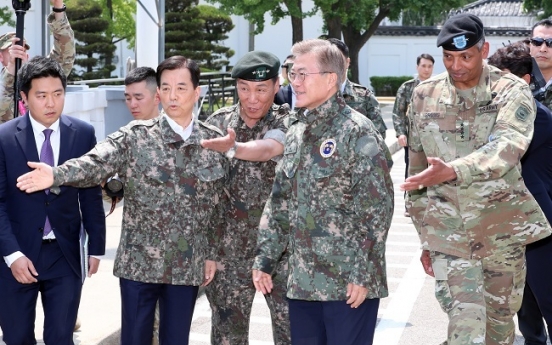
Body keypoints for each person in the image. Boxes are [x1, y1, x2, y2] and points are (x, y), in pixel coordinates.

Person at [16, 55, 227, 345]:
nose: (172, 96)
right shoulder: (135, 136)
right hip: (139, 266)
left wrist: (212, 253)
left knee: (176, 340)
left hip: (187, 264)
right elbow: (94, 162)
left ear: (196, 91)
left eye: (180, 88)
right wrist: (55, 174)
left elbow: (219, 206)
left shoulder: (213, 142)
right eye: (165, 88)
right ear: (159, 93)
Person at [400, 13, 552, 345]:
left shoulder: (511, 90)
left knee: (498, 324)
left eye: (466, 56)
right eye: (449, 57)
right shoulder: (424, 95)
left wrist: (455, 170)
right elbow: (417, 174)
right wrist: (425, 239)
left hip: (501, 231)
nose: (456, 65)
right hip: (449, 232)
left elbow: (508, 146)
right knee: (466, 322)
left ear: (483, 51)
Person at [252, 38, 394, 345]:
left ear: (331, 79)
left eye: (303, 74)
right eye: (292, 73)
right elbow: (280, 201)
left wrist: (363, 272)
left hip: (347, 283)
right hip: (302, 281)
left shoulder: (357, 131)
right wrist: (265, 258)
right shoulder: (297, 130)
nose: (296, 82)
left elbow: (378, 207)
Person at [0, 56, 105, 344]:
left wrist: (96, 247)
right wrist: (12, 255)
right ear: (24, 98)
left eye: (58, 94)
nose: (51, 103)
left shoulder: (82, 134)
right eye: (42, 95)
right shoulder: (5, 137)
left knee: (61, 337)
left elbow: (91, 191)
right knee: (18, 337)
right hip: (16, 255)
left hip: (65, 253)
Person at [200, 51, 291, 345]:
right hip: (228, 253)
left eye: (261, 89)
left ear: (277, 86)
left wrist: (233, 147)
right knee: (228, 336)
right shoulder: (216, 124)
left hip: (280, 252)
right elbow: (206, 196)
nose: (252, 98)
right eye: (244, 88)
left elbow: (267, 148)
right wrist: (208, 250)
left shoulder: (291, 121)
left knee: (291, 332)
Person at [488, 41, 552, 345]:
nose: (494, 86)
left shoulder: (535, 115)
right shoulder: (500, 114)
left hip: (540, 224)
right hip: (512, 224)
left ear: (524, 80)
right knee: (525, 306)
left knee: (548, 299)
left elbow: (498, 155)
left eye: (502, 78)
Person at [0, 0, 75, 122]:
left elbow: (64, 56)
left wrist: (58, 8)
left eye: (22, 49)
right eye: (12, 49)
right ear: (1, 57)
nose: (18, 53)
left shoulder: (38, 78)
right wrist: (11, 70)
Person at [392, 53, 434, 217]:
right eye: (423, 66)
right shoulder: (407, 87)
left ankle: (430, 205)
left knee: (433, 171)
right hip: (413, 138)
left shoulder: (438, 86)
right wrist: (400, 133)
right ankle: (410, 205)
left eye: (429, 66)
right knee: (412, 171)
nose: (426, 69)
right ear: (417, 67)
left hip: (433, 138)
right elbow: (398, 112)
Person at [327, 38, 387, 139]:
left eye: (338, 60)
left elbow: (378, 134)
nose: (334, 65)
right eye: (328, 61)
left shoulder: (364, 96)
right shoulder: (312, 95)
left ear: (347, 62)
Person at [529, 19, 552, 110]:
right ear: (530, 45)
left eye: (550, 43)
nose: (543, 49)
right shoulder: (516, 81)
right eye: (537, 42)